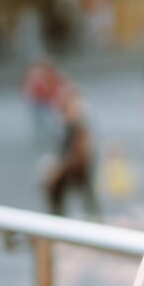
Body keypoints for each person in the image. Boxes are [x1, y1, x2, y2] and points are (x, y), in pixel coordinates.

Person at [45, 88, 100, 218]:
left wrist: (60, 167)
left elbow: (83, 146)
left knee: (86, 193)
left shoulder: (77, 123)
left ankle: (92, 218)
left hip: (76, 164)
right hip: (72, 163)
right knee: (84, 194)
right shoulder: (65, 121)